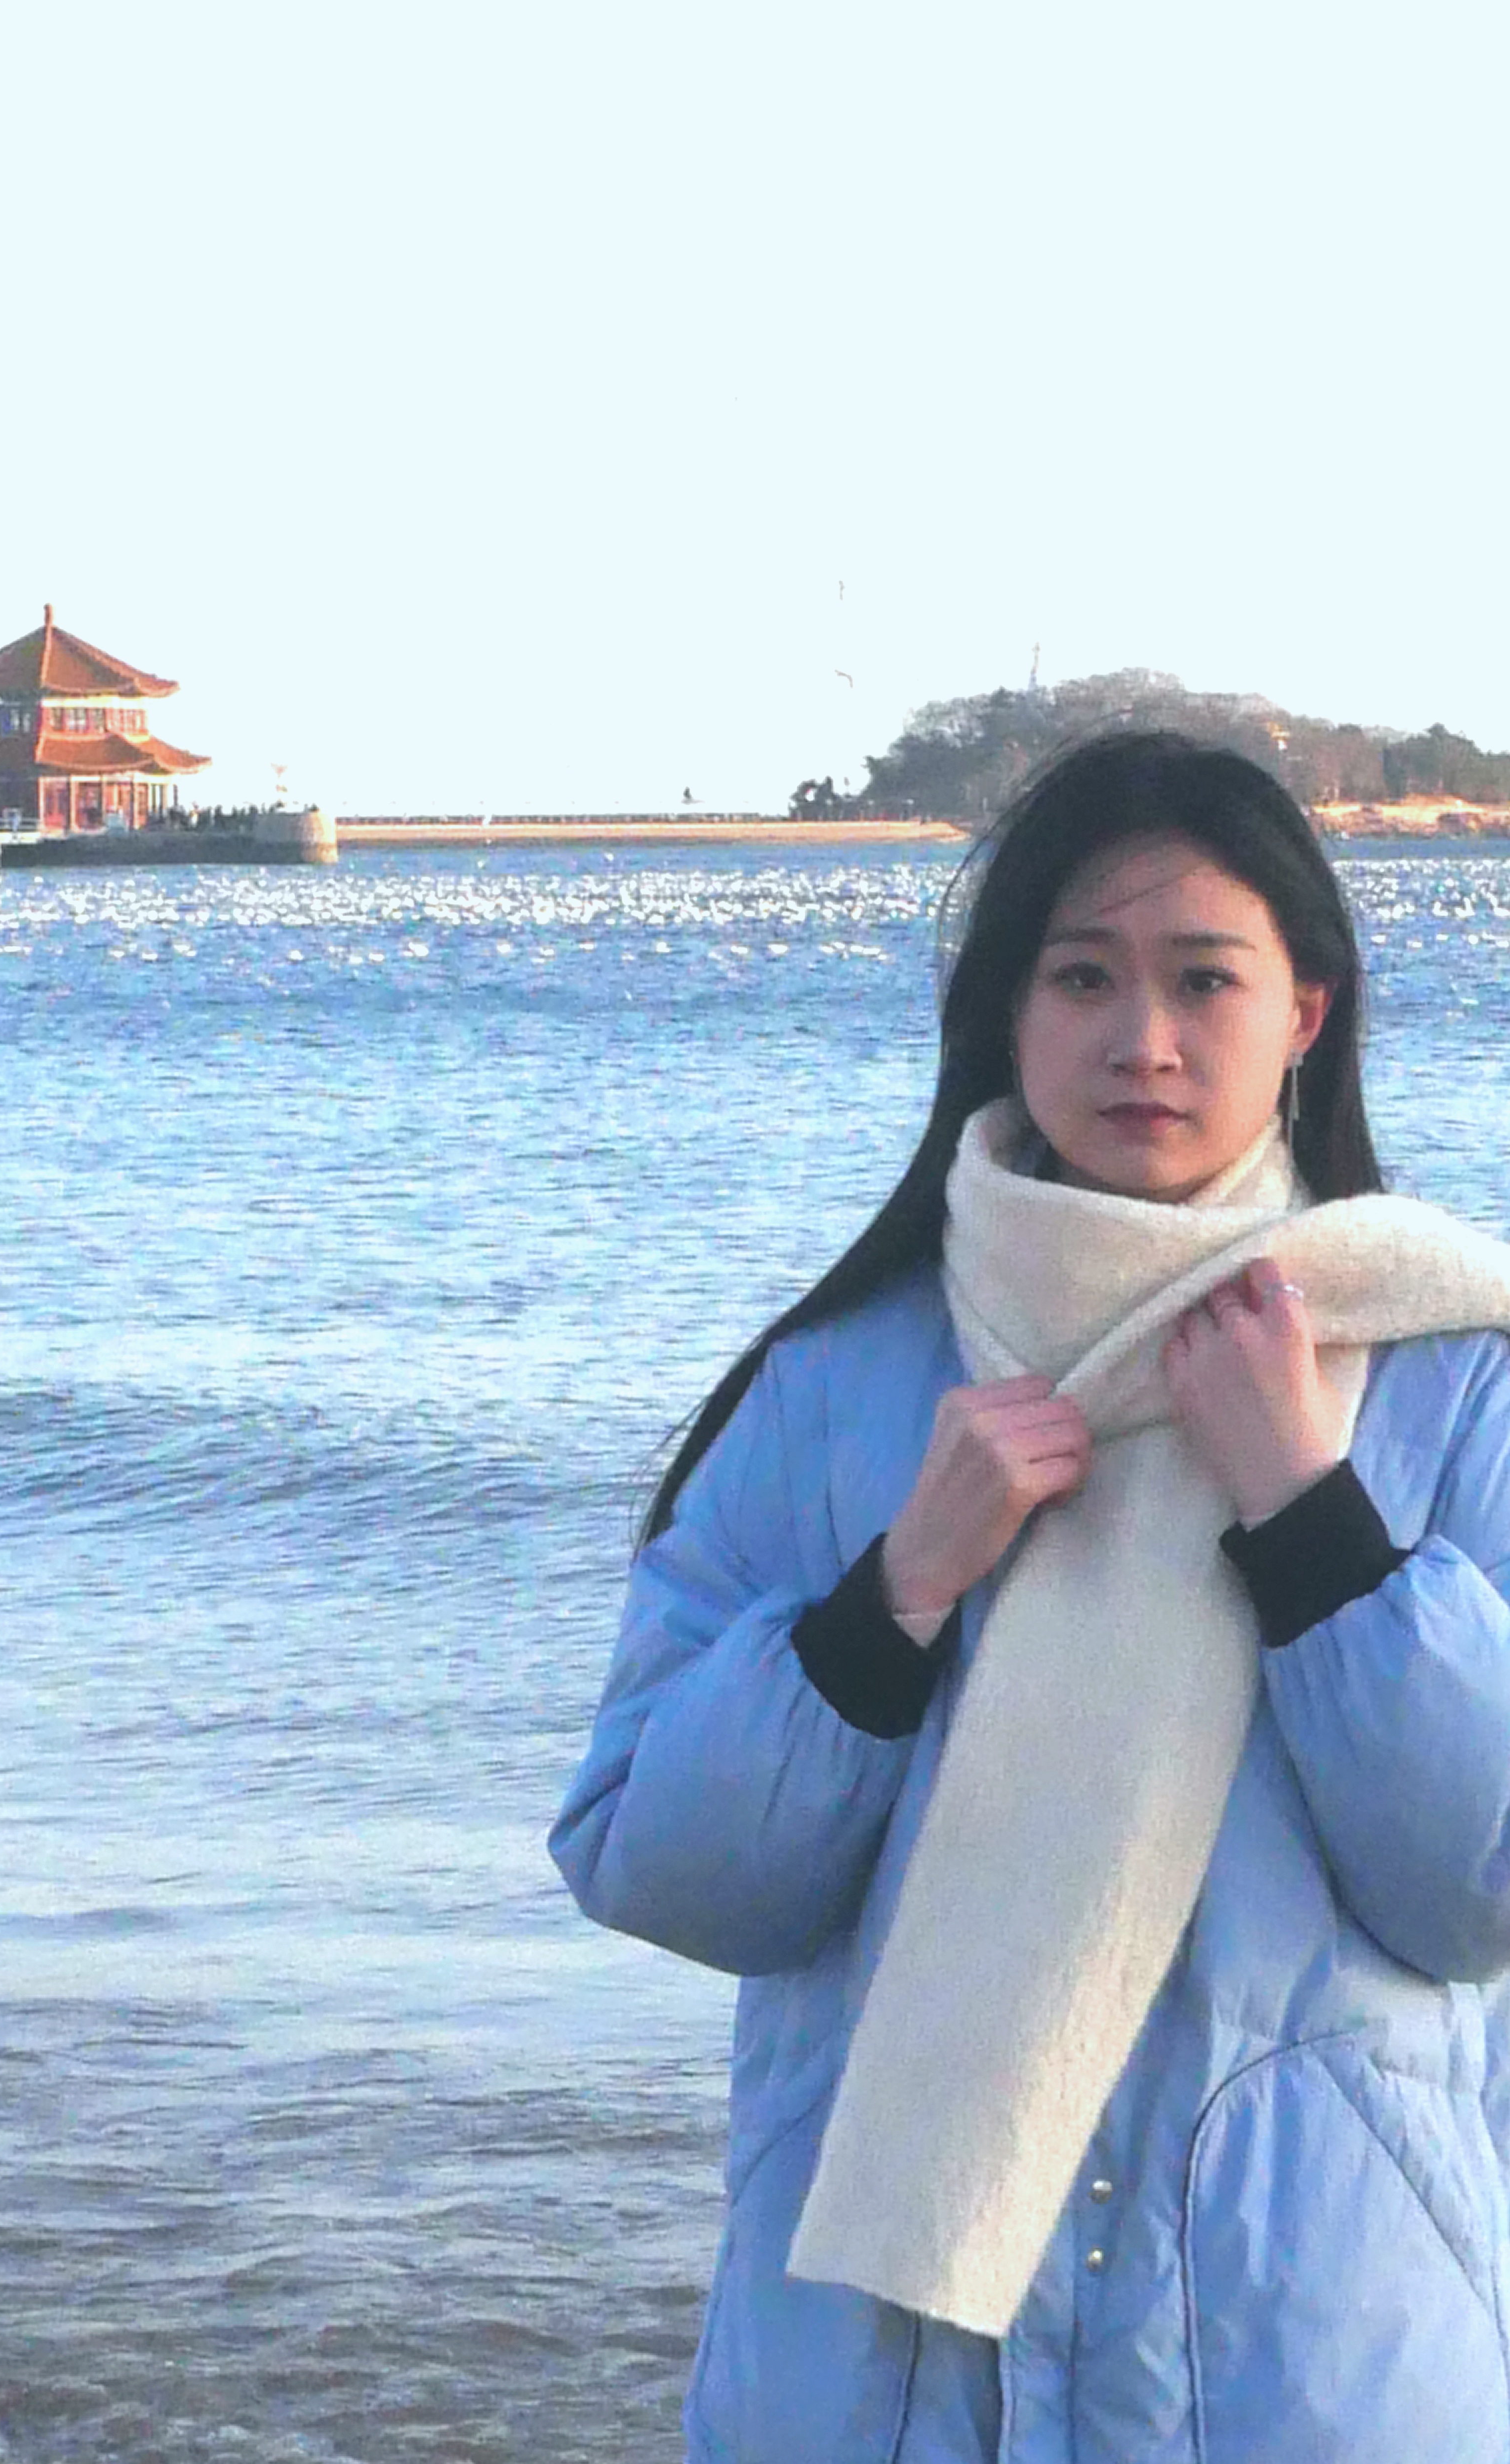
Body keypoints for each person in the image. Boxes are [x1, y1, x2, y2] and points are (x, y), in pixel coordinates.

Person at [550, 731, 1510, 2464]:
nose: (1142, 1039)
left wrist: (1316, 1526)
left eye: (1203, 978)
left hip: (1312, 2376)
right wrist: (887, 1604)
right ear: (1008, 1012)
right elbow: (657, 1864)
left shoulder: (1453, 1377)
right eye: (1082, 978)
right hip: (877, 2389)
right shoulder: (838, 1386)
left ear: (1304, 1010)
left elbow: (1479, 1895)